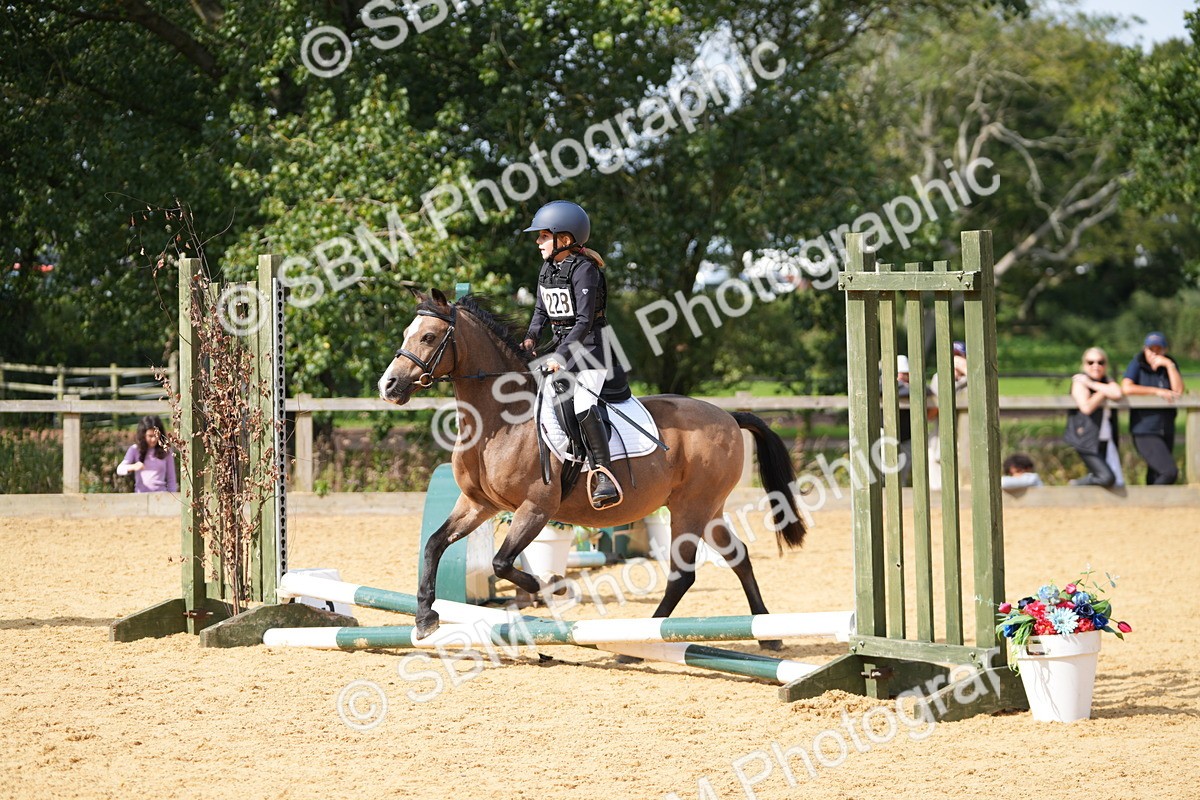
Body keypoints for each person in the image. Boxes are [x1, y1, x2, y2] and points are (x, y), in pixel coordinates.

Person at [521, 201, 631, 509]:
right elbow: (541, 311)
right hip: (562, 349)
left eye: (543, 236)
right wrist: (530, 338)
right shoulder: (548, 269)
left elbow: (584, 322)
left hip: (592, 352)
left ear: (564, 239)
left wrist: (561, 356)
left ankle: (604, 474)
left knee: (583, 404)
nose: (537, 242)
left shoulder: (585, 270)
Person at [1121, 332, 1185, 485]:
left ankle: (1153, 506)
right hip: (1145, 430)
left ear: (1165, 350)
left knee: (1155, 473)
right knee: (1169, 472)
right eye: (1151, 349)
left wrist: (1169, 366)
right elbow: (1126, 387)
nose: (1154, 353)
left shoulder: (1169, 365)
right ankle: (1150, 503)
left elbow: (1178, 392)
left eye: (1159, 349)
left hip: (1166, 428)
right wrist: (1156, 391)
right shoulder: (1137, 363)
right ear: (1145, 349)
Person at [1065, 347, 1124, 487]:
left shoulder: (1106, 380)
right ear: (1084, 364)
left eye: (1100, 362)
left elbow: (1117, 393)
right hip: (1085, 439)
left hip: (1105, 439)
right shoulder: (1079, 382)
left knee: (1105, 477)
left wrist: (1093, 385)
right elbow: (1086, 407)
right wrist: (1103, 391)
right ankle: (1075, 485)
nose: (1096, 366)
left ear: (1106, 365)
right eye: (1090, 362)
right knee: (1107, 478)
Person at [116, 415, 178, 493]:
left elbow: (171, 479)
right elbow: (120, 469)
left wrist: (172, 499)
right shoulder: (135, 449)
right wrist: (133, 467)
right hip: (141, 497)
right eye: (150, 436)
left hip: (161, 497)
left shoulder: (166, 451)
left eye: (156, 435)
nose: (154, 439)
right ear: (143, 435)